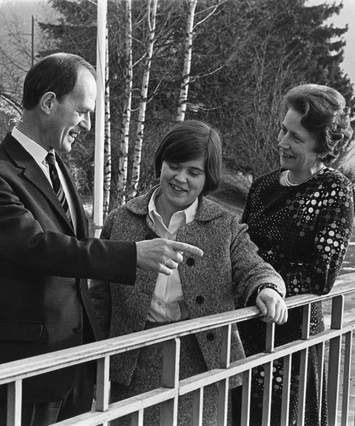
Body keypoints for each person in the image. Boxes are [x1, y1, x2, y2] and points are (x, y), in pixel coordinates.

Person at [0, 53, 203, 426]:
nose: (89, 125)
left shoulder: (55, 163)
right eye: (83, 111)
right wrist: (131, 256)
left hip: (73, 366)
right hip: (27, 370)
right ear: (48, 103)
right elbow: (36, 247)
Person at [90, 119, 288, 425]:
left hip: (203, 365)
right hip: (132, 365)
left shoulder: (225, 225)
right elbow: (100, 298)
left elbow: (254, 267)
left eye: (193, 172)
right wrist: (94, 367)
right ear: (161, 164)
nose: (180, 178)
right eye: (174, 165)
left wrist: (268, 288)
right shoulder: (122, 219)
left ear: (207, 177)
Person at [238, 83, 354, 425]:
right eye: (282, 129)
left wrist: (263, 280)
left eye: (296, 137)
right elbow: (241, 251)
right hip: (248, 332)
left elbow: (321, 275)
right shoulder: (262, 186)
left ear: (322, 146)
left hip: (293, 338)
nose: (282, 142)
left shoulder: (334, 190)